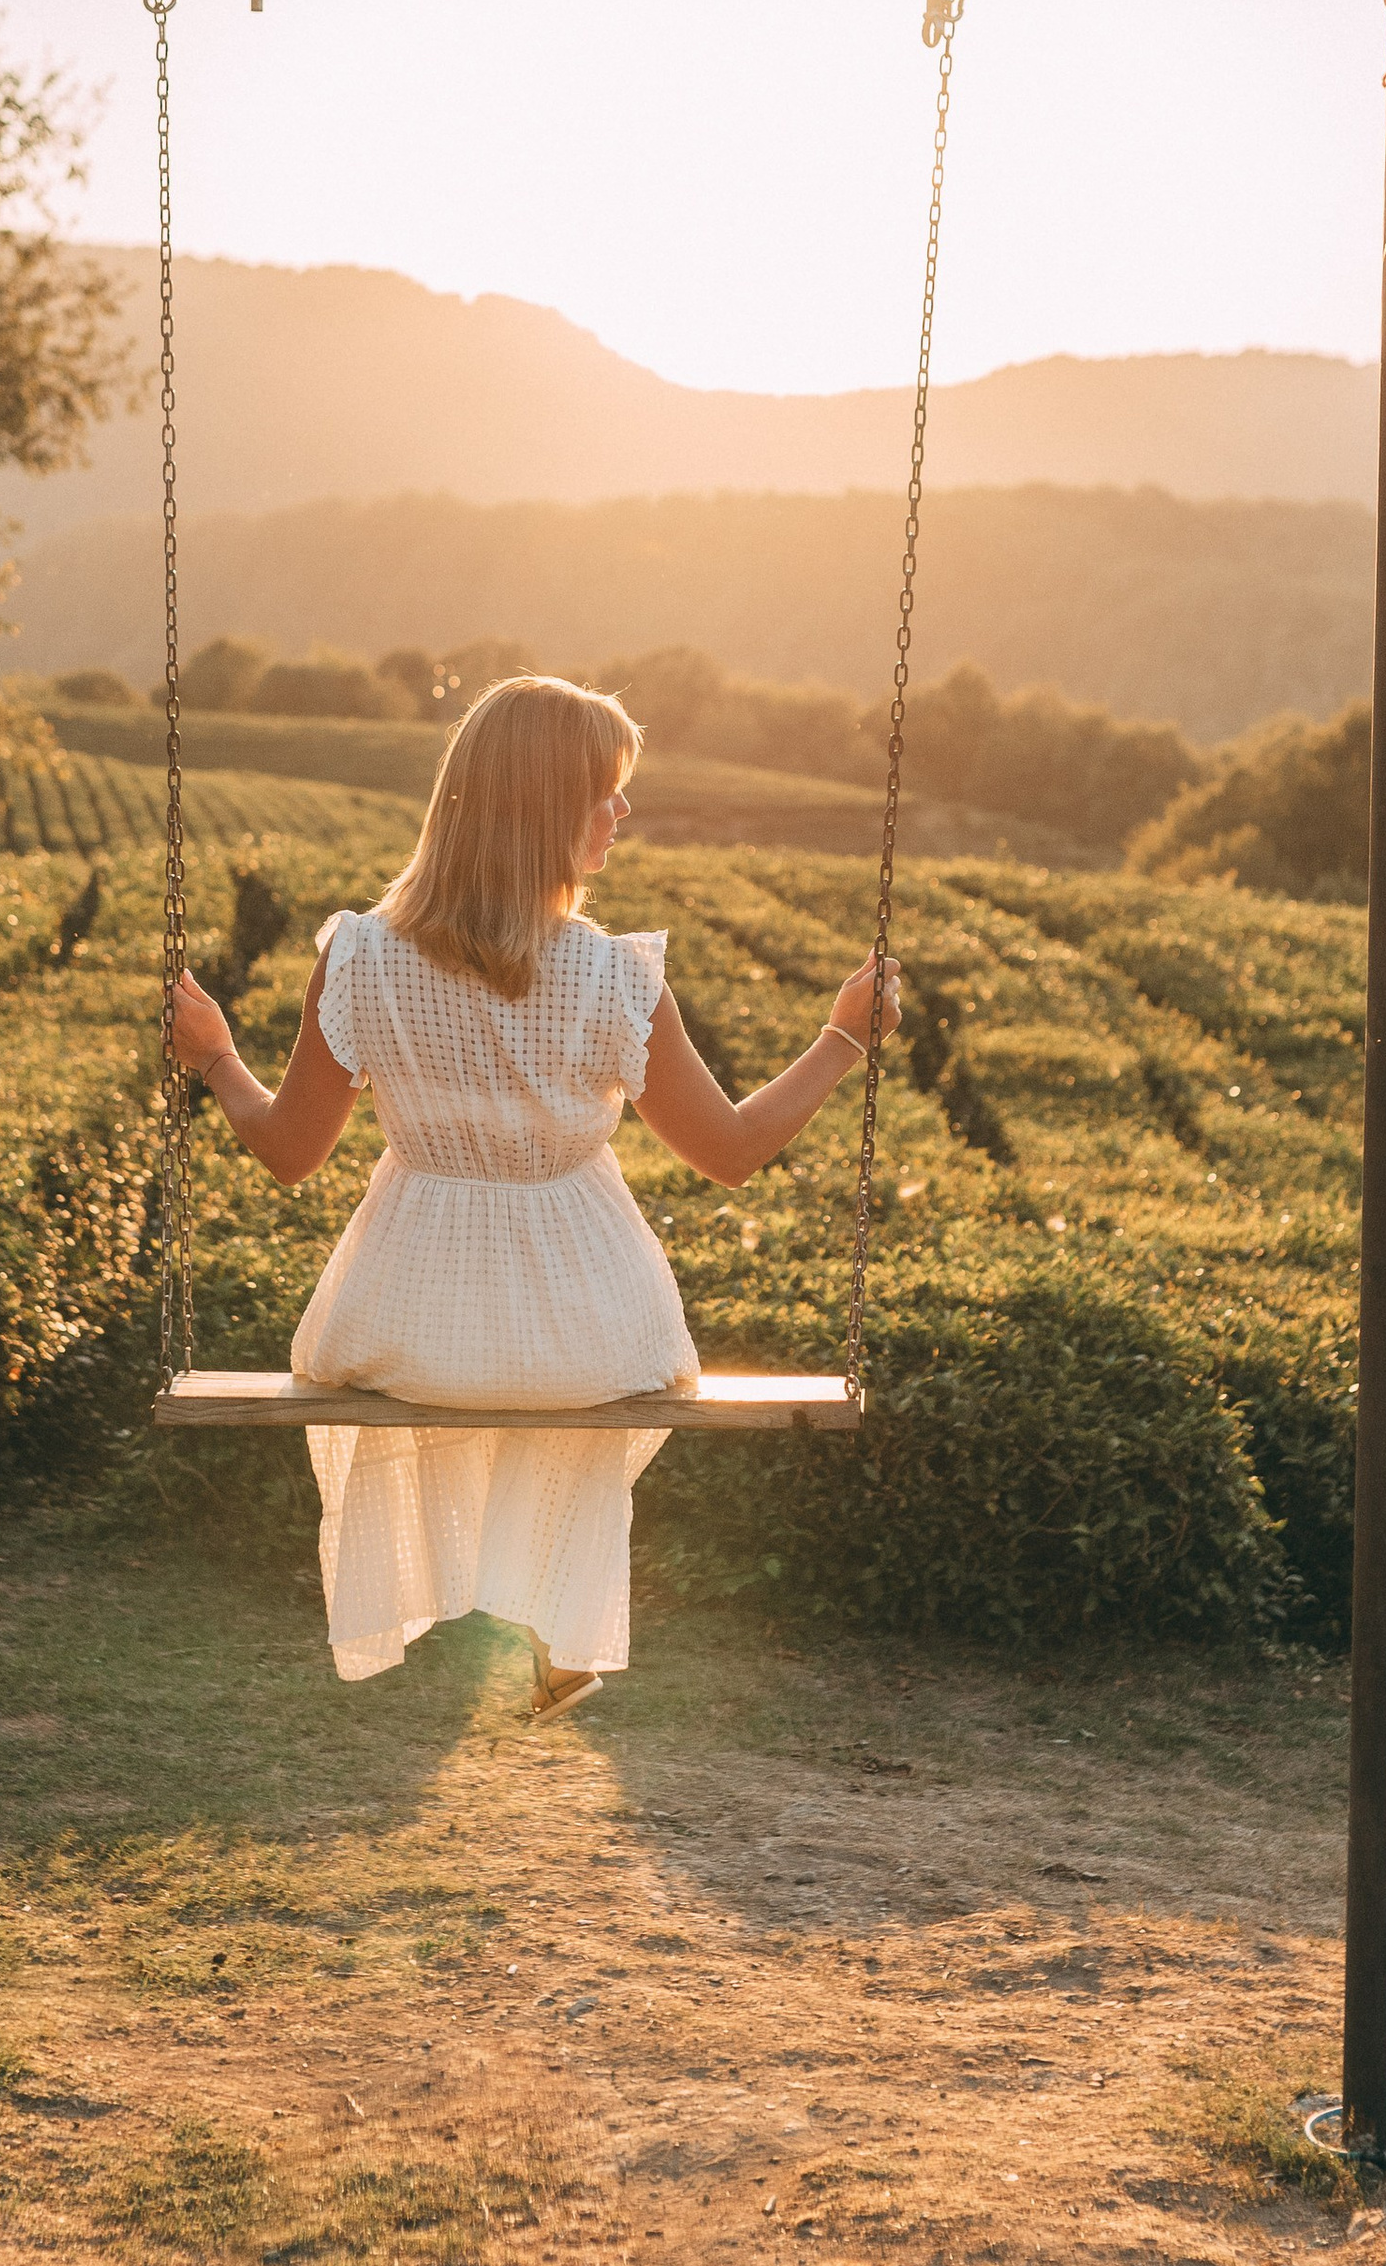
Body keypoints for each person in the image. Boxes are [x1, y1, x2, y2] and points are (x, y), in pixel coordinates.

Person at [170, 673, 899, 1714]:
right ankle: (562, 1623)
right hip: (591, 1338)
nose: (622, 813)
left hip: (399, 1330)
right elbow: (731, 1150)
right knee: (591, 1393)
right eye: (603, 793)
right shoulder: (611, 978)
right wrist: (841, 1040)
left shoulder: (361, 959)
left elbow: (290, 1151)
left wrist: (215, 1058)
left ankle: (533, 1616)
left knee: (474, 1377)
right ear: (543, 808)